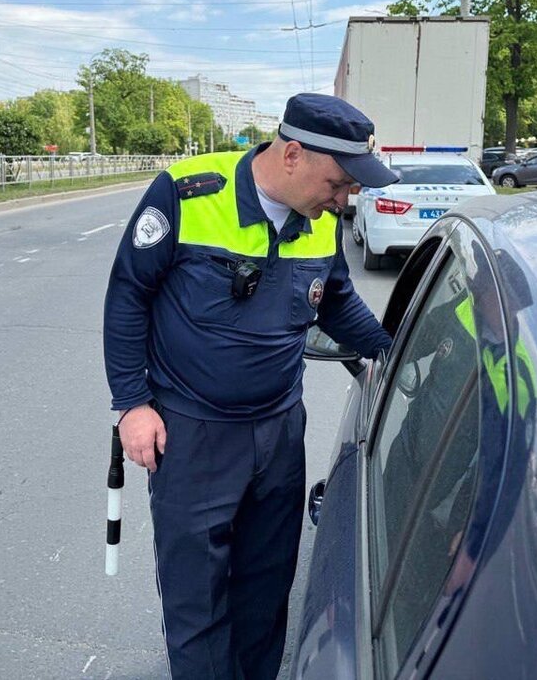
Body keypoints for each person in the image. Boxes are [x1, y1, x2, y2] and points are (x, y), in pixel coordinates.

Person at [102, 92, 397, 679]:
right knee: (198, 598)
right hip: (192, 433)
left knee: (265, 589)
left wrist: (393, 353)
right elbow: (127, 295)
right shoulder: (188, 194)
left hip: (280, 430)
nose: (346, 198)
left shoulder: (319, 222)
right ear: (292, 155)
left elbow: (335, 300)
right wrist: (132, 404)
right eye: (338, 182)